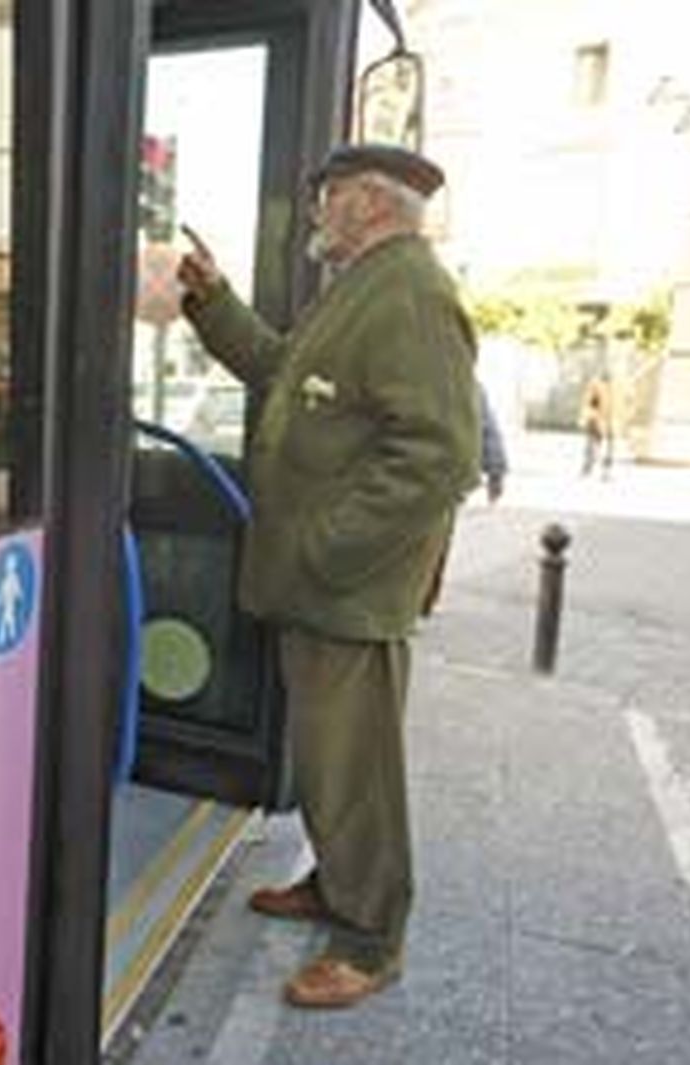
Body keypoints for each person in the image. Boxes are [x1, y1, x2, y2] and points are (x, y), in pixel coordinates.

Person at [177, 144, 479, 1009]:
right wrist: (214, 301)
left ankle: (370, 937)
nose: (319, 207)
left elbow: (440, 455)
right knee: (325, 754)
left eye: (331, 193)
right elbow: (285, 372)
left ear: (373, 205)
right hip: (326, 586)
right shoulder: (365, 285)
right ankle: (334, 883)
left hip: (349, 588)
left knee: (356, 766)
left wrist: (326, 548)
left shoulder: (411, 294)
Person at [420, 384, 506, 616]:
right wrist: (496, 472)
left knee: (433, 541)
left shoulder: (468, 384)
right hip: (444, 476)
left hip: (443, 478)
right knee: (436, 541)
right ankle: (423, 599)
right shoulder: (468, 383)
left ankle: (424, 600)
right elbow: (488, 428)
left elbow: (486, 427)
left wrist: (496, 470)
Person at [579, 371, 615, 477]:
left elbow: (590, 403)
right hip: (598, 420)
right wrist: (592, 418)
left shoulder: (600, 388)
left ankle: (593, 467)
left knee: (597, 444)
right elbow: (591, 403)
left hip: (601, 420)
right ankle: (593, 467)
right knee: (596, 444)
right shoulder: (598, 388)